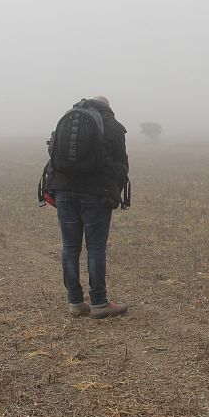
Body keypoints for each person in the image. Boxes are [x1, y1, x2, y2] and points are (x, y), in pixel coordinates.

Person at [47, 95, 129, 319]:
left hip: (64, 192)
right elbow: (122, 165)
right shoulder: (112, 126)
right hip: (96, 195)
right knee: (95, 248)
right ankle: (99, 303)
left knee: (70, 247)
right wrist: (113, 189)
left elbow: (53, 154)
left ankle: (75, 302)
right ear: (108, 107)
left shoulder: (69, 119)